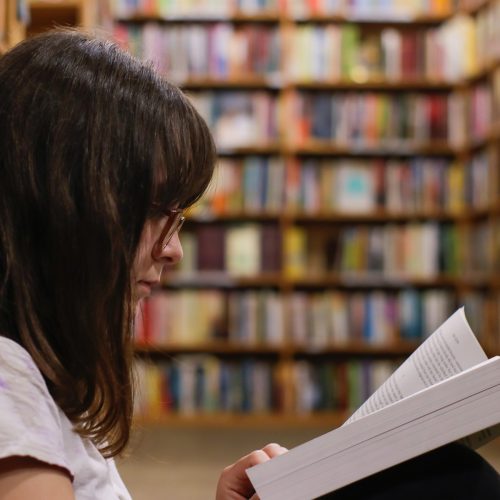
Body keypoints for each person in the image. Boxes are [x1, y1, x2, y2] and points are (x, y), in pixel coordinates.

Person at [0, 29, 285, 499]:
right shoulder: (9, 386)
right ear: (67, 206)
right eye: (156, 212)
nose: (173, 251)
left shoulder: (48, 378)